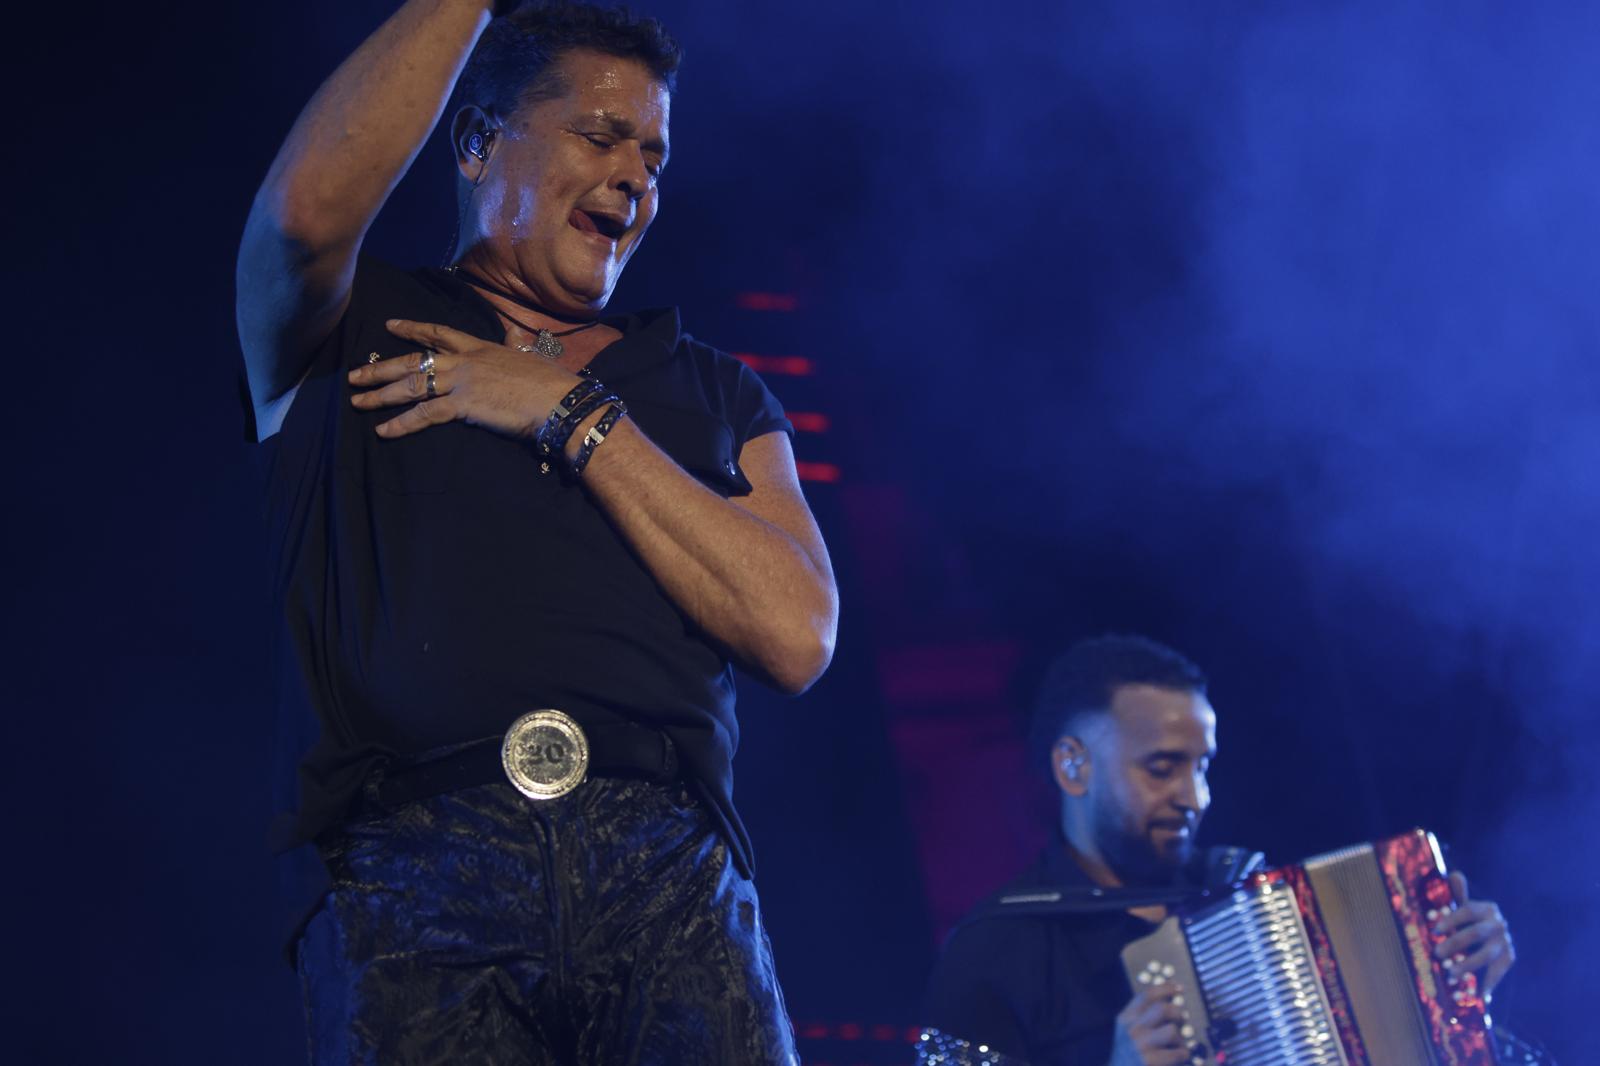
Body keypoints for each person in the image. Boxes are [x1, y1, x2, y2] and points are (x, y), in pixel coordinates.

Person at [235, 1, 837, 1061]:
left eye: (653, 153)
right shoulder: (357, 329)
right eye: (599, 136)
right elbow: (298, 222)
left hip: (669, 876)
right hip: (413, 870)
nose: (634, 177)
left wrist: (569, 413)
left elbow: (796, 630)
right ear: (476, 143)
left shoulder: (715, 391)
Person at [916, 635, 1517, 1066]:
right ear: (1074, 767)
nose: (1194, 797)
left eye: (1202, 767)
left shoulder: (1250, 891)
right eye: (1162, 768)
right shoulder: (988, 952)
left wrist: (1451, 990)